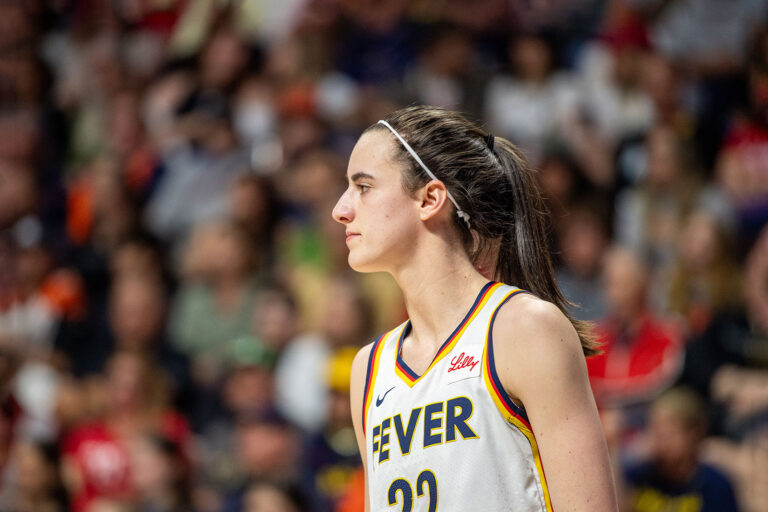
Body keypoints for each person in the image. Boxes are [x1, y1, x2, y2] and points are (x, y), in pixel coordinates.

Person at [332, 106, 617, 511]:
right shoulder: (369, 368)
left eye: (363, 186)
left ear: (430, 199)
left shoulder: (523, 329)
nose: (340, 209)